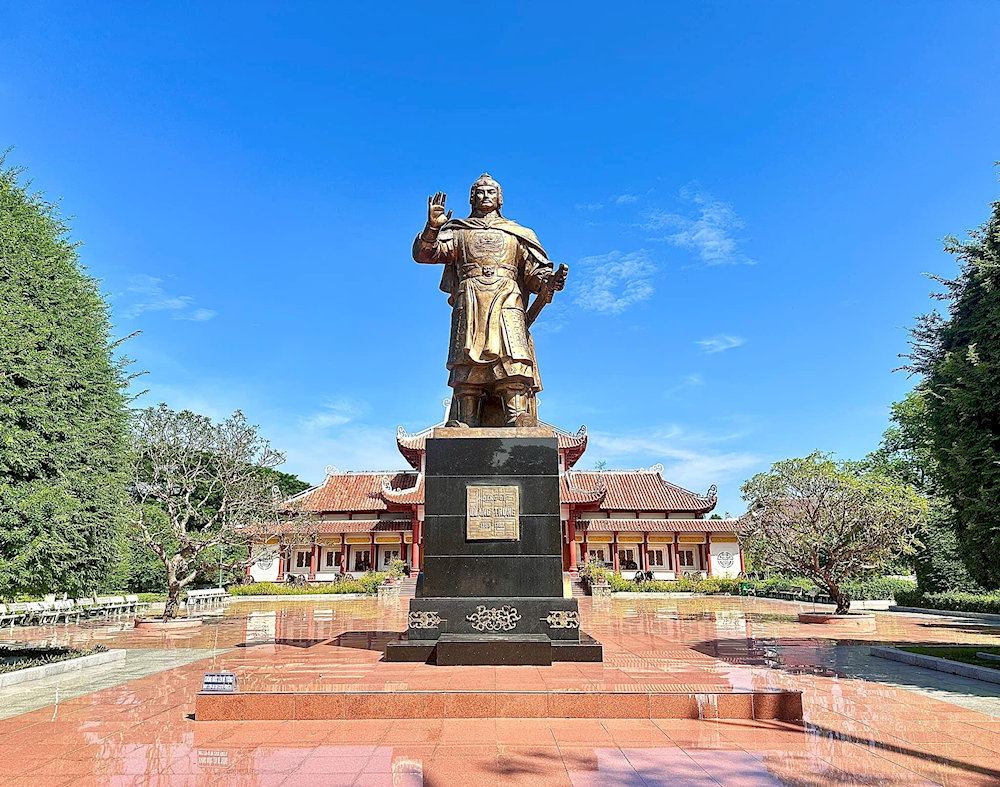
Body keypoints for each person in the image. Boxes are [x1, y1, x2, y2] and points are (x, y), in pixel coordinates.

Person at [413, 174, 567, 427]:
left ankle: (516, 415)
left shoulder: (517, 234)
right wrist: (432, 228)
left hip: (507, 297)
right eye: (480, 192)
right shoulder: (459, 231)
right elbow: (426, 255)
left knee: (513, 355)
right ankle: (466, 420)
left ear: (500, 199)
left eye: (491, 192)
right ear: (471, 198)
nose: (485, 196)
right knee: (466, 357)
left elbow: (533, 273)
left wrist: (549, 280)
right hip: (471, 296)